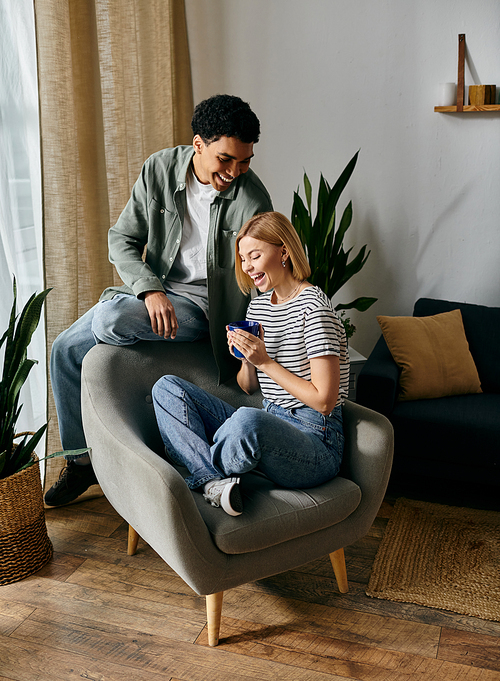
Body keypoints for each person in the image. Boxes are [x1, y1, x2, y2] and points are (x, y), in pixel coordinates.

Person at [45, 94, 273, 508]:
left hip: (206, 308)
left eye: (245, 162)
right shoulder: (159, 168)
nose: (234, 172)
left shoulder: (252, 199)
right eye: (225, 160)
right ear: (198, 145)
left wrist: (257, 349)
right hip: (157, 287)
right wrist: (150, 289)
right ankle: (81, 464)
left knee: (111, 320)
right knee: (63, 349)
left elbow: (261, 280)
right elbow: (122, 239)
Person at [152, 212, 349, 516]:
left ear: (283, 251)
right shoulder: (259, 305)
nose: (247, 267)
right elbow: (248, 387)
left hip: (315, 442)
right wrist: (246, 360)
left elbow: (324, 401)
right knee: (167, 387)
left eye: (255, 256)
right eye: (243, 258)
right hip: (271, 420)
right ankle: (212, 479)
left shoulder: (314, 308)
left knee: (247, 421)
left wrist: (265, 361)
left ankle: (190, 455)